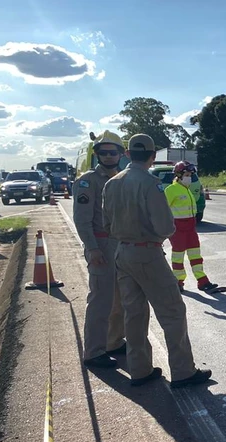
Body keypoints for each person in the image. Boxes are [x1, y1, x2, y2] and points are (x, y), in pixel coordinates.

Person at [102, 133, 212, 388]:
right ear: (152, 157)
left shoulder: (112, 183)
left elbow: (107, 224)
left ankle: (139, 369)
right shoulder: (150, 184)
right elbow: (165, 225)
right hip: (147, 253)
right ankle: (183, 371)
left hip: (122, 252)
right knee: (172, 311)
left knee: (134, 313)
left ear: (127, 154)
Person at [73, 130, 128, 368]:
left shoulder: (121, 178)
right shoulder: (87, 181)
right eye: (103, 153)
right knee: (100, 300)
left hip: (120, 244)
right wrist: (92, 248)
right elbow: (82, 219)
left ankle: (113, 342)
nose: (108, 156)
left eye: (112, 152)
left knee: (120, 298)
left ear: (120, 154)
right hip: (101, 245)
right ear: (96, 155)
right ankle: (94, 351)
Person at [164, 161, 226, 294]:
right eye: (187, 174)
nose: (189, 177)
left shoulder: (187, 190)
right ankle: (178, 282)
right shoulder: (171, 190)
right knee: (178, 258)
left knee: (196, 256)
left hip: (191, 229)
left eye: (190, 175)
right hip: (178, 230)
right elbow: (162, 210)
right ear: (179, 175)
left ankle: (203, 281)